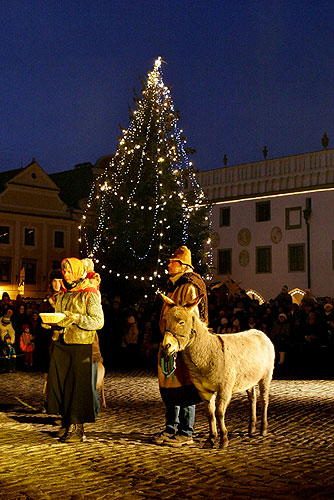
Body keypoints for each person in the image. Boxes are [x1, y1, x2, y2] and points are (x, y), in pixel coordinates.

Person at [154, 245, 208, 448]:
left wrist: (179, 341)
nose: (168, 264)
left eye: (172, 262)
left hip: (182, 347)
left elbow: (190, 319)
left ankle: (186, 432)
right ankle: (171, 427)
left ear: (183, 265)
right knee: (171, 387)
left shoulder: (189, 287)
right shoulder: (174, 286)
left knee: (185, 388)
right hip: (169, 344)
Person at [46, 257, 104, 443]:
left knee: (77, 387)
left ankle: (77, 427)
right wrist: (50, 323)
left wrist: (78, 319)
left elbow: (98, 321)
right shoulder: (63, 293)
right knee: (60, 384)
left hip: (80, 345)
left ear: (79, 271)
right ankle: (66, 421)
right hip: (61, 344)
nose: (65, 274)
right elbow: (61, 318)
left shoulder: (89, 293)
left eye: (69, 270)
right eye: (64, 271)